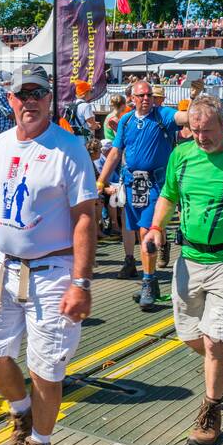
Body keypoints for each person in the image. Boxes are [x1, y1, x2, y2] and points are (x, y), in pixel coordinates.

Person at [0, 64, 98, 445]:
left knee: (46, 370)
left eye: (38, 94)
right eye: (22, 93)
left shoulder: (70, 148)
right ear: (10, 100)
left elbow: (85, 217)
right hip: (5, 267)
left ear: (50, 100)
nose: (30, 100)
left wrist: (81, 282)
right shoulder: (1, 143)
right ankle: (21, 415)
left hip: (53, 272)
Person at [146, 95, 223, 445]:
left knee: (215, 340)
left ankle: (211, 409)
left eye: (207, 131)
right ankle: (222, 363)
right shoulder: (181, 156)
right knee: (188, 335)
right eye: (194, 130)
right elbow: (168, 194)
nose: (200, 137)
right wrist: (156, 227)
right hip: (189, 259)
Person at [96, 82, 188, 308]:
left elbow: (183, 118)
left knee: (147, 231)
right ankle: (152, 277)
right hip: (131, 182)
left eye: (149, 95)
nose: (146, 98)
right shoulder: (126, 121)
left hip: (156, 184)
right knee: (136, 229)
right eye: (142, 95)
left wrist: (196, 103)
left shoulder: (162, 115)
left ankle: (147, 281)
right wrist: (101, 181)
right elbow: (116, 152)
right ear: (132, 98)